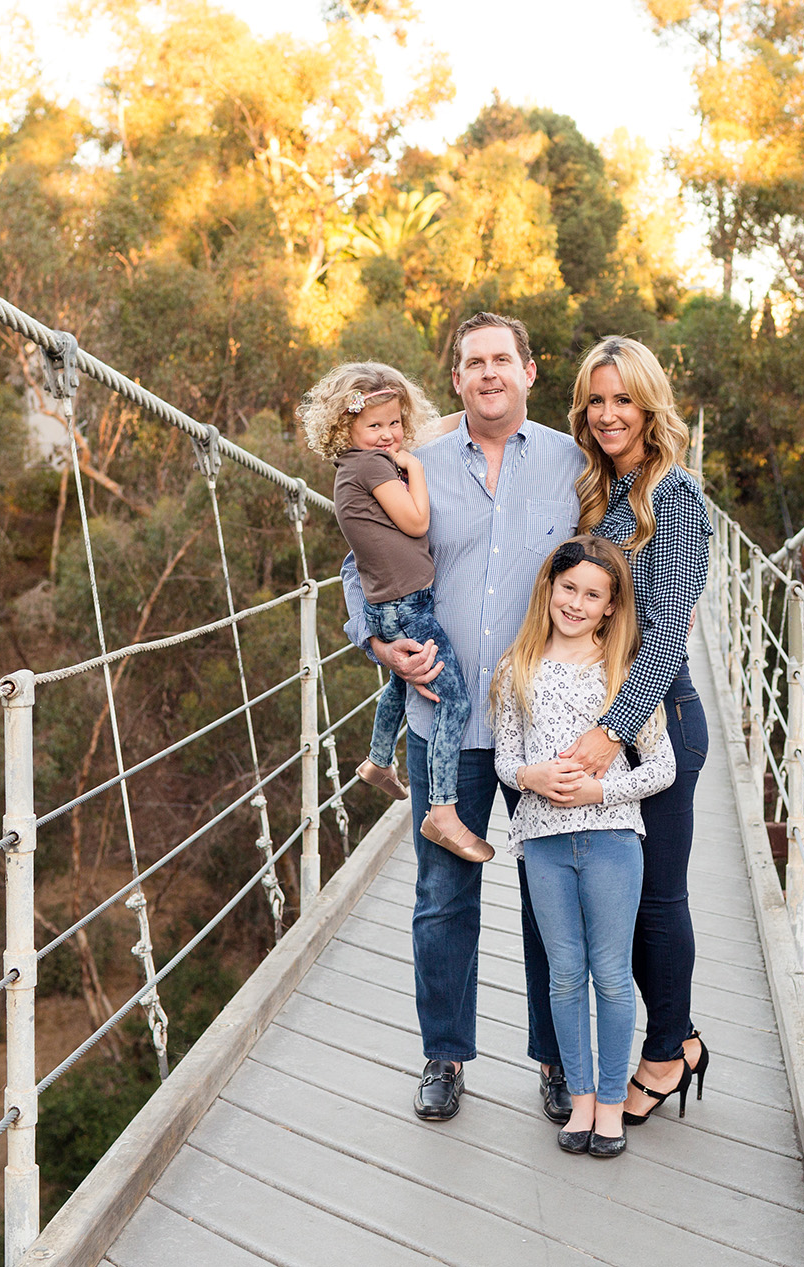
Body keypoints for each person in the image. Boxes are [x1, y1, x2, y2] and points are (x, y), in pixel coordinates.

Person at [340, 311, 585, 1122]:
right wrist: (379, 645)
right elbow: (357, 564)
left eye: (502, 360)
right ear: (455, 379)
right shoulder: (409, 462)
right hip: (439, 715)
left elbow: (617, 561)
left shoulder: (570, 462)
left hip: (539, 726)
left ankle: (556, 1060)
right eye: (473, 362)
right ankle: (443, 1057)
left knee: (550, 897)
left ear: (528, 370)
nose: (488, 374)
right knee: (443, 898)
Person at [529, 335, 714, 1125]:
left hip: (656, 719)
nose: (608, 414)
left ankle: (667, 1054)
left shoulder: (674, 496)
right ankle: (675, 1036)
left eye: (623, 399)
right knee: (619, 900)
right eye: (595, 400)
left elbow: (667, 628)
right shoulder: (597, 489)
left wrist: (612, 729)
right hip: (600, 714)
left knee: (655, 902)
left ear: (648, 405)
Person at [492, 536, 675, 1159]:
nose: (575, 602)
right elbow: (506, 757)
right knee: (565, 976)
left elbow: (662, 767)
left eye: (592, 594)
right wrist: (530, 779)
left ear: (610, 605)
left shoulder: (626, 676)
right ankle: (582, 1098)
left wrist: (602, 790)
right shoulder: (516, 666)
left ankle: (614, 1108)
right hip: (542, 841)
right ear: (549, 588)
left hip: (613, 840)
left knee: (612, 976)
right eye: (567, 588)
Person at [301, 362, 491, 861]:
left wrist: (465, 416)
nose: (389, 436)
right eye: (375, 426)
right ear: (347, 429)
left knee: (398, 682)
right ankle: (444, 812)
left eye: (395, 424)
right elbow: (416, 520)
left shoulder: (355, 463)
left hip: (393, 604)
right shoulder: (375, 466)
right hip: (408, 607)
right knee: (454, 702)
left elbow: (421, 431)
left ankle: (378, 761)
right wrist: (417, 469)